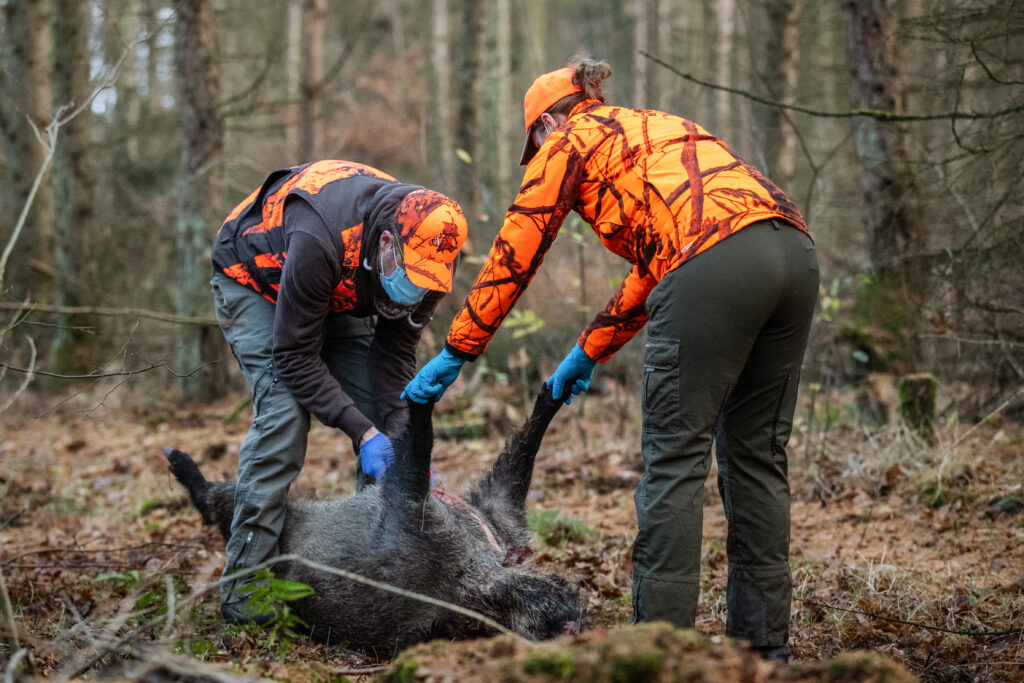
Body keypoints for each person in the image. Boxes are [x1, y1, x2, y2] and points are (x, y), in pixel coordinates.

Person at [404, 58, 818, 660]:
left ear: (547, 122)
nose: (538, 153)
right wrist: (587, 348)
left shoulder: (567, 141)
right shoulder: (656, 127)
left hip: (712, 263)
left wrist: (458, 347)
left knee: (674, 461)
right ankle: (763, 656)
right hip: (794, 255)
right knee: (757, 460)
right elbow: (662, 258)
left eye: (534, 143)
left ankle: (657, 655)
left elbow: (517, 250)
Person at [210, 159, 467, 623]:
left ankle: (374, 571)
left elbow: (393, 360)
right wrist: (362, 432)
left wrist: (402, 444)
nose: (418, 289)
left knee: (382, 415)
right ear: (387, 242)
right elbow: (293, 356)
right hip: (255, 278)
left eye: (428, 282)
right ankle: (243, 596)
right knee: (285, 420)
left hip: (341, 289)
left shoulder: (432, 258)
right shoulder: (319, 236)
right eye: (411, 276)